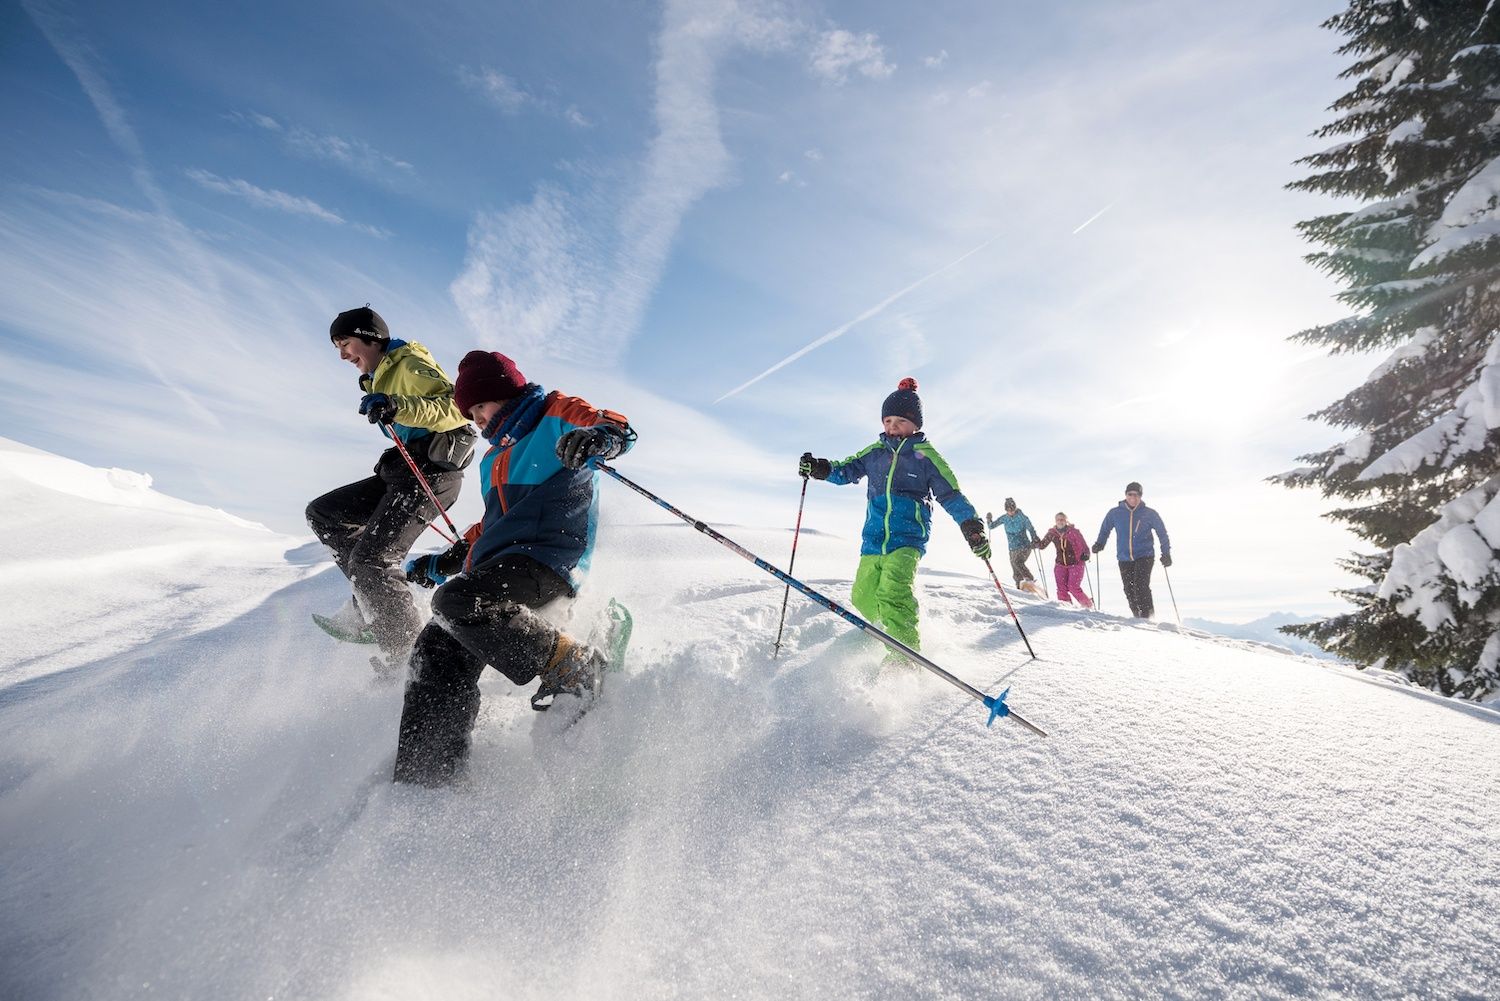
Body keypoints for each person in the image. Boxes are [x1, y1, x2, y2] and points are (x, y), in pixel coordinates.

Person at [393, 350, 635, 786]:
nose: (478, 420)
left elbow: (614, 426)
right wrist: (445, 561)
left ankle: (573, 662)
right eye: (470, 413)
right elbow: (491, 526)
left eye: (480, 407)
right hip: (502, 566)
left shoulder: (554, 414)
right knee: (434, 646)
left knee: (458, 601)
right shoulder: (493, 461)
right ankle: (428, 777)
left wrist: (600, 440)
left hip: (549, 559)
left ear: (504, 392)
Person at [306, 306, 475, 669]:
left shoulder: (407, 363)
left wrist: (398, 405)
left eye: (345, 343)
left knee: (373, 561)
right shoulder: (379, 375)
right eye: (337, 346)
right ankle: (372, 603)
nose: (342, 355)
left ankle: (409, 657)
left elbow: (454, 408)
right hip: (402, 472)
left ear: (369, 338)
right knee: (325, 514)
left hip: (432, 473)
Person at [799, 378, 990, 655]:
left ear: (915, 424)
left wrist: (971, 526)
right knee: (862, 596)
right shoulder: (875, 452)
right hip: (873, 540)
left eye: (899, 421)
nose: (892, 427)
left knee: (892, 593)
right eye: (887, 421)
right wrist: (819, 468)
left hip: (907, 540)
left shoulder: (926, 456)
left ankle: (904, 658)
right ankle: (889, 631)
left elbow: (951, 495)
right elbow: (846, 470)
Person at [1092, 481, 1171, 619]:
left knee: (1141, 586)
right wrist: (1100, 543)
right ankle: (1137, 617)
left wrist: (1166, 553)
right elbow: (1105, 529)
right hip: (1124, 557)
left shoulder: (1149, 514)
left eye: (1137, 495)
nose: (1133, 498)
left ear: (1141, 496)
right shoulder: (1115, 513)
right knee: (1129, 590)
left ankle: (1148, 618)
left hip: (1144, 555)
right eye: (1130, 494)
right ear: (1125, 495)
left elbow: (1162, 533)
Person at [986, 498, 1043, 596]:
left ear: (1015, 508)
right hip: (1012, 548)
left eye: (1012, 509)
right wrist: (989, 520)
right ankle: (1020, 591)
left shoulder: (1022, 517)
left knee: (1018, 562)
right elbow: (991, 526)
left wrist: (1034, 538)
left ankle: (1030, 579)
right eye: (1008, 510)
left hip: (1024, 546)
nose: (1010, 512)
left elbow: (1031, 528)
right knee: (1016, 571)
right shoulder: (1004, 518)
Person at [1035, 512, 1092, 608]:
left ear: (1066, 521)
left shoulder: (1074, 532)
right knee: (1061, 588)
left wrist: (1086, 554)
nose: (1060, 521)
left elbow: (1084, 545)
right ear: (1055, 521)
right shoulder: (1052, 533)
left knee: (1073, 587)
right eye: (1058, 519)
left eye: (1062, 519)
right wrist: (1036, 542)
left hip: (1076, 563)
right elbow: (1042, 545)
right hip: (1060, 564)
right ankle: (1066, 608)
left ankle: (1088, 606)